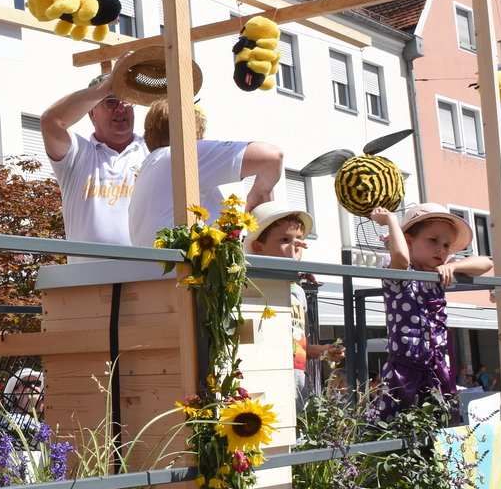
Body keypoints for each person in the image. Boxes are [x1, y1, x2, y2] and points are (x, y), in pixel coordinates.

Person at [369, 203, 493, 422]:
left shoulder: (438, 274)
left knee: (440, 424)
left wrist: (454, 266)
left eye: (446, 245)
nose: (441, 249)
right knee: (396, 426)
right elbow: (401, 257)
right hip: (405, 368)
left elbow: (485, 263)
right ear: (408, 241)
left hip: (436, 367)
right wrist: (391, 221)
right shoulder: (397, 270)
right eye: (433, 240)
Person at [125, 102, 283, 246]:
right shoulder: (181, 154)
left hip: (161, 272)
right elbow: (273, 156)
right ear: (195, 136)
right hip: (184, 275)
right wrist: (261, 191)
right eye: (201, 137)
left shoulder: (152, 164)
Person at [248, 202, 341, 407]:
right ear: (258, 248)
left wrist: (325, 351)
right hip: (270, 380)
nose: (296, 245)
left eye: (300, 240)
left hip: (298, 383)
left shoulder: (298, 291)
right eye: (284, 240)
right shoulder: (257, 286)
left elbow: (297, 345)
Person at [40, 77, 147, 254]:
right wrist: (107, 85)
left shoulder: (153, 153)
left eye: (126, 100)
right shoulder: (78, 153)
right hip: (87, 277)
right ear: (91, 113)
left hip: (146, 276)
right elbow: (51, 121)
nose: (120, 108)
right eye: (110, 101)